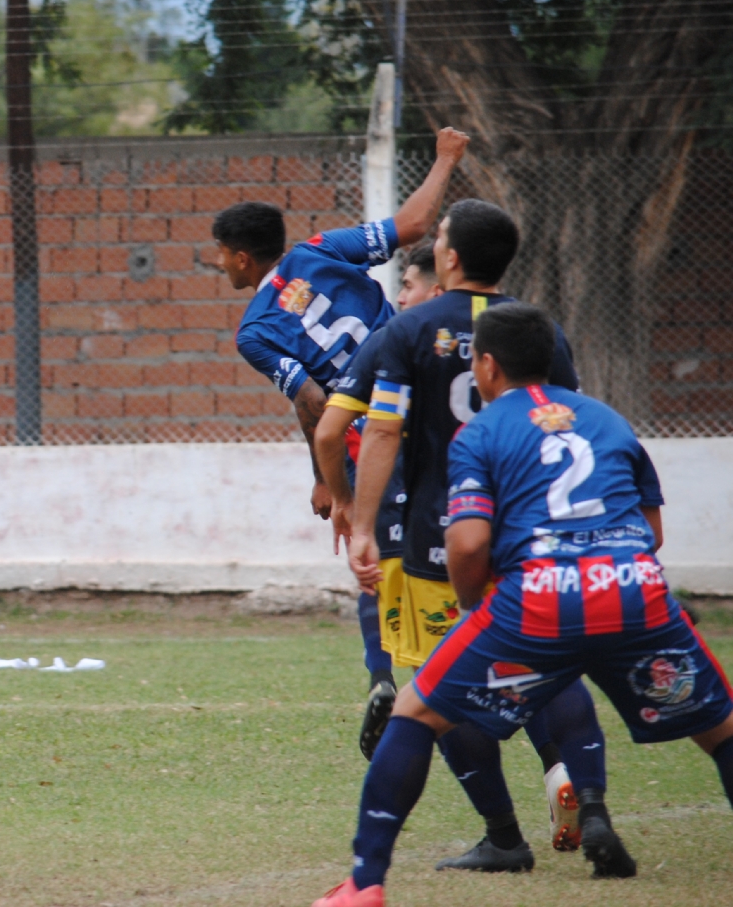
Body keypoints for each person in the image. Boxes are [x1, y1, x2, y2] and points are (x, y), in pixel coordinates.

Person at [312, 303, 733, 907]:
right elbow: (651, 531)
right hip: (635, 592)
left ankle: (364, 883)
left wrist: (473, 604)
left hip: (536, 602)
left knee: (414, 714)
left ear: (486, 366)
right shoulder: (608, 420)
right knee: (722, 730)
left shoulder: (481, 432)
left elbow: (468, 542)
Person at [338, 198, 606, 871]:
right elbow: (565, 420)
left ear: (449, 256)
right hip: (528, 538)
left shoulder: (410, 327)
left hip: (439, 539)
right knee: (550, 665)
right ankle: (586, 796)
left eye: (440, 236)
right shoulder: (536, 329)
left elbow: (380, 429)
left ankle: (504, 837)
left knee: (439, 688)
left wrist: (362, 524)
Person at [215, 126, 469, 754]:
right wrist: (445, 159)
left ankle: (388, 679)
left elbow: (312, 402)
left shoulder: (254, 331)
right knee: (463, 545)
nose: (218, 263)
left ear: (242, 258)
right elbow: (413, 224)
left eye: (219, 254)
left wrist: (332, 485)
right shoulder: (320, 249)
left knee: (373, 557)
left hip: (372, 435)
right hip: (433, 406)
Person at [314, 244, 442, 757]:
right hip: (483, 503)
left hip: (404, 489)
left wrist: (346, 503)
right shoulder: (514, 330)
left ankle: (384, 680)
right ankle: (562, 767)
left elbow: (334, 429)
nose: (400, 297)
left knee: (380, 582)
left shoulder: (394, 337)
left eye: (407, 285)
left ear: (439, 282)